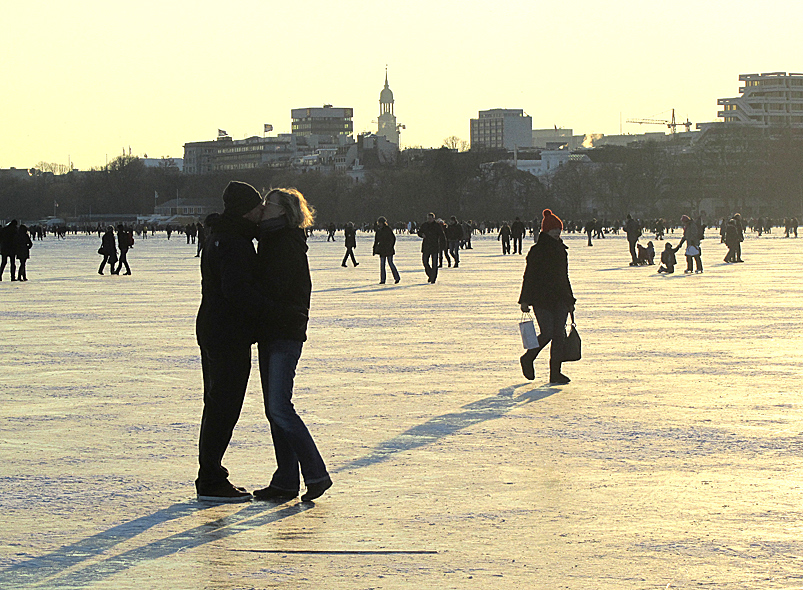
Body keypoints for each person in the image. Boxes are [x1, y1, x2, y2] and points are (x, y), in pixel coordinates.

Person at [253, 187, 331, 502]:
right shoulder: (272, 240)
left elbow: (278, 289)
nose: (262, 208)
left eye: (267, 204)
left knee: (279, 407)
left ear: (282, 211)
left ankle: (316, 473)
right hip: (272, 331)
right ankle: (286, 479)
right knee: (275, 409)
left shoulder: (284, 244)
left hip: (284, 332)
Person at [195, 180, 271, 503]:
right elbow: (236, 291)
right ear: (245, 210)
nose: (261, 211)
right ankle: (210, 477)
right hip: (227, 334)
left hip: (212, 328)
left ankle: (209, 472)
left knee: (215, 404)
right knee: (224, 405)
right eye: (257, 206)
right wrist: (269, 310)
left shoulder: (219, 236)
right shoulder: (234, 243)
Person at [518, 209, 576, 385]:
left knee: (559, 334)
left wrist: (570, 300)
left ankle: (555, 373)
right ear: (545, 231)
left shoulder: (561, 251)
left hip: (560, 299)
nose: (557, 233)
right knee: (548, 332)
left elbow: (564, 277)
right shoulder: (537, 251)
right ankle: (528, 358)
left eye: (559, 230)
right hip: (541, 299)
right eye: (553, 231)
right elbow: (529, 276)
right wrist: (525, 300)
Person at [417, 212, 445, 283]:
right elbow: (419, 232)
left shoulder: (437, 226)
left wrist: (443, 246)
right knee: (425, 262)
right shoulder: (424, 225)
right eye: (428, 218)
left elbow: (442, 236)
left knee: (434, 264)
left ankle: (433, 278)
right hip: (426, 246)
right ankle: (430, 275)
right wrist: (421, 234)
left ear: (433, 218)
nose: (429, 219)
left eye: (430, 218)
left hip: (434, 246)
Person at [373, 216, 400, 284]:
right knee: (382, 265)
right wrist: (374, 249)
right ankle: (383, 280)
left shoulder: (388, 229)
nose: (379, 224)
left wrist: (390, 246)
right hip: (382, 249)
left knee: (390, 263)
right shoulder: (378, 230)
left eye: (380, 223)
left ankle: (397, 278)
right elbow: (376, 241)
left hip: (388, 249)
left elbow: (393, 239)